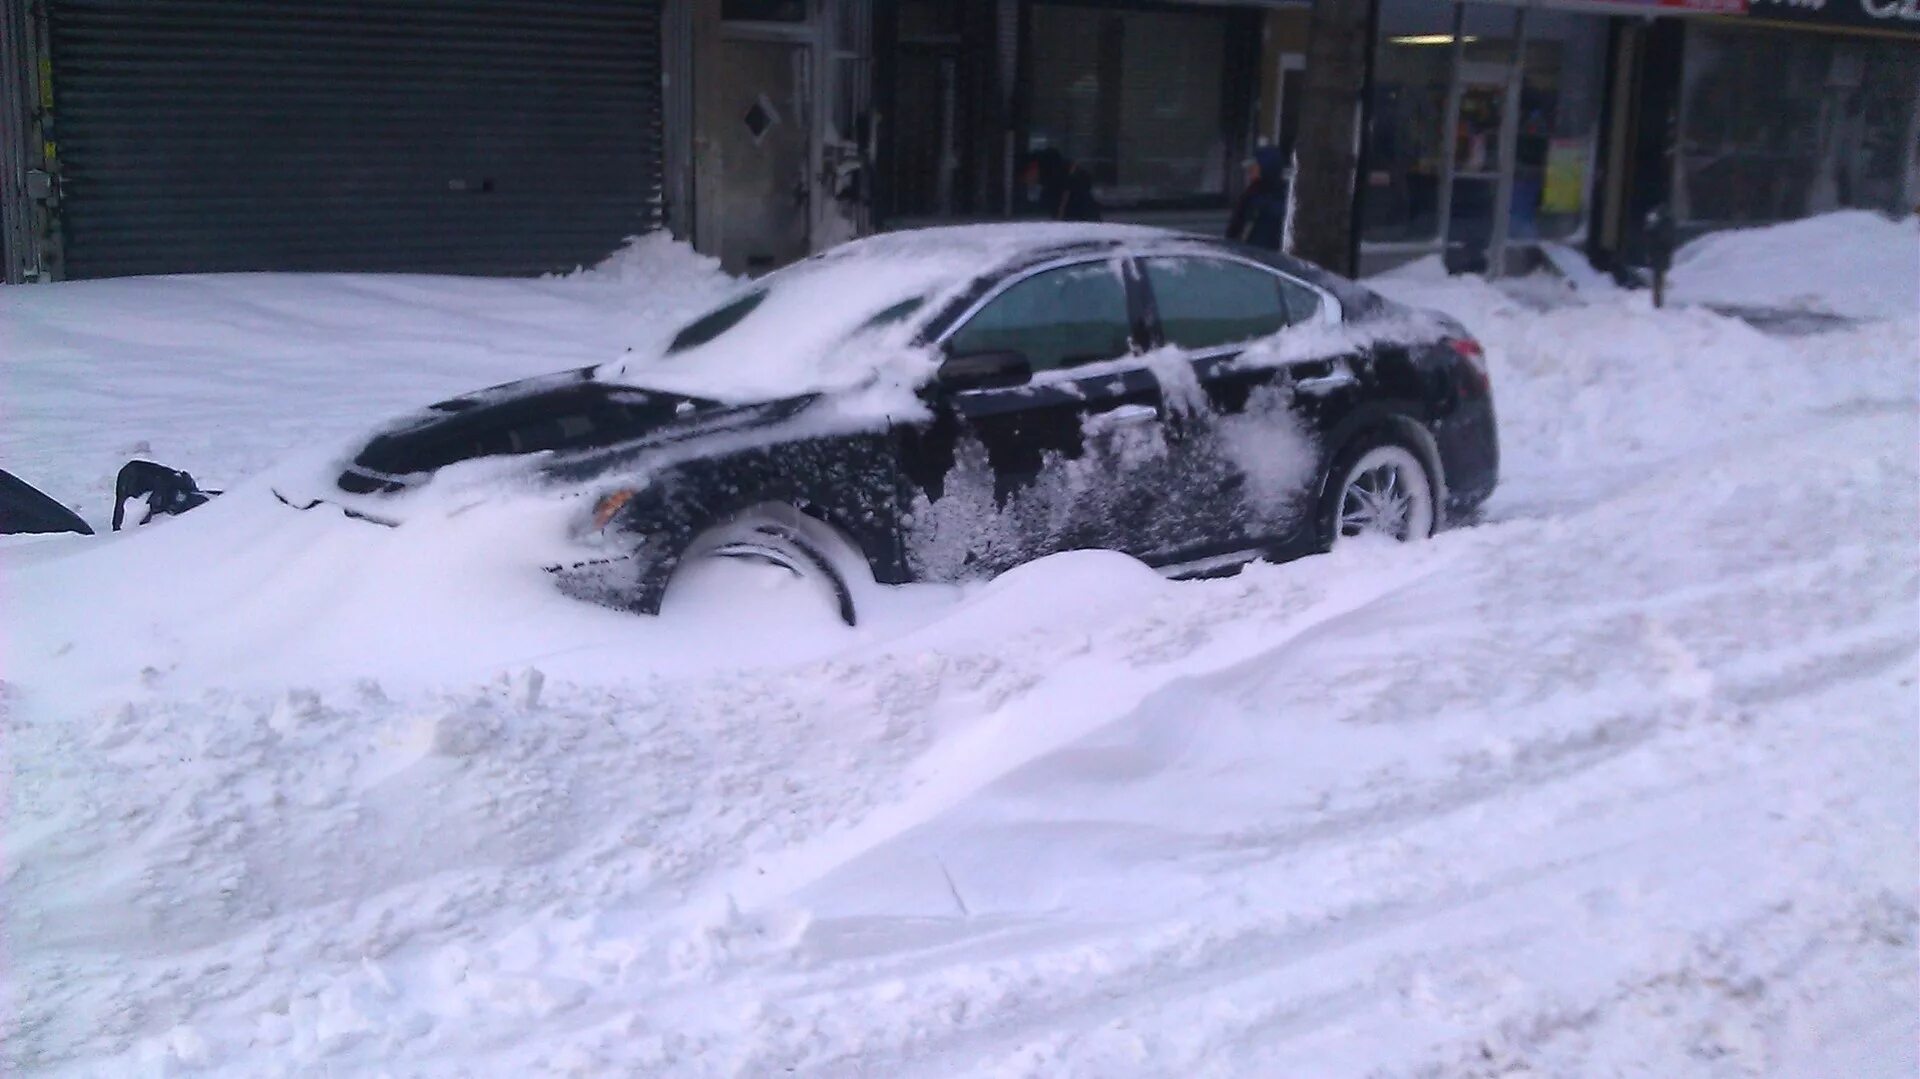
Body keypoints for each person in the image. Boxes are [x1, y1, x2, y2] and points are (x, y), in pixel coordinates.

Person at [1226, 145, 1288, 250]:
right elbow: (1236, 227)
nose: (1250, 172)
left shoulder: (1283, 197)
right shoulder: (1251, 193)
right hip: (1246, 252)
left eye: (1254, 167)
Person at [1021, 147, 1102, 222]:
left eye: (1025, 174)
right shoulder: (1055, 184)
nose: (1026, 180)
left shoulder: (1058, 187)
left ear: (1034, 167)